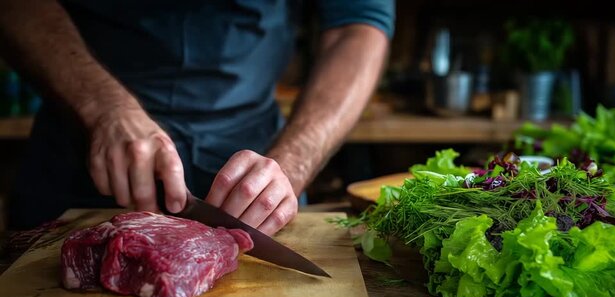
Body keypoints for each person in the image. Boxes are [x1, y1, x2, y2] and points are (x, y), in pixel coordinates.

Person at [0, 0, 394, 235]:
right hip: (74, 170)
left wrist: (292, 164)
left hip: (259, 171)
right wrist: (100, 105)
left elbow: (357, 26)